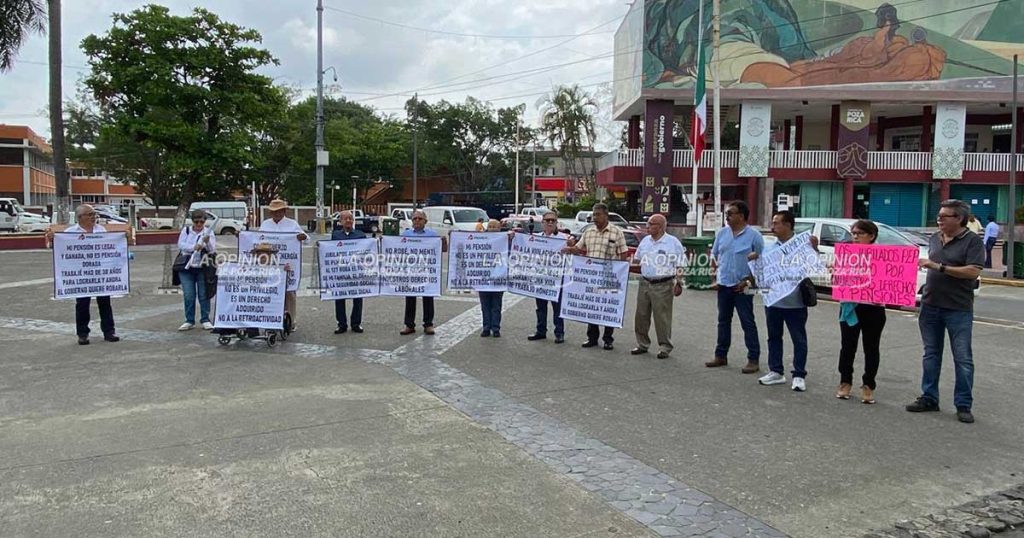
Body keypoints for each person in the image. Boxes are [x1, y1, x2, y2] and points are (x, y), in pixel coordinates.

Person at [907, 199, 985, 424]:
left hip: (958, 308)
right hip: (930, 305)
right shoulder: (934, 238)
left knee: (962, 358)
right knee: (931, 354)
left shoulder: (972, 242)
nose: (939, 220)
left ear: (959, 218)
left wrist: (939, 267)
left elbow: (973, 271)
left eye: (944, 216)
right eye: (939, 216)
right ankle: (929, 397)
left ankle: (963, 404)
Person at [752, 210, 817, 392]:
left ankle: (799, 375)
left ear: (788, 225)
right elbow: (762, 271)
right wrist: (755, 260)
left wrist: (815, 249)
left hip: (796, 302)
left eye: (776, 223)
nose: (773, 227)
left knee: (799, 339)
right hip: (773, 301)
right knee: (774, 337)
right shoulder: (768, 247)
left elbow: (814, 265)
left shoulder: (803, 245)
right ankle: (776, 371)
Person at [46, 204, 121, 345]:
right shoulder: (70, 232)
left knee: (105, 302)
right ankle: (83, 334)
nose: (94, 217)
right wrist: (52, 240)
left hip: (99, 272)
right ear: (80, 217)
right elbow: (60, 248)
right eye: (90, 214)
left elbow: (111, 247)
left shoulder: (101, 230)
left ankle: (109, 331)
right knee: (82, 303)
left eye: (94, 214)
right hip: (81, 274)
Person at [707, 201, 763, 373]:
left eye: (731, 213)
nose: (727, 216)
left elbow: (762, 262)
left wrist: (748, 281)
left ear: (741, 215)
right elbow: (714, 255)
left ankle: (753, 359)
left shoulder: (754, 236)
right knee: (723, 321)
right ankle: (721, 355)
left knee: (747, 322)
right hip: (724, 285)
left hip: (743, 286)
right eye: (727, 213)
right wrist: (713, 272)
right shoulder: (722, 233)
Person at [564, 203, 630, 350]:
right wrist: (569, 249)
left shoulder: (616, 232)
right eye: (593, 215)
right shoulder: (589, 232)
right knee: (593, 306)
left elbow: (623, 254)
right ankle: (592, 337)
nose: (594, 217)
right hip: (591, 275)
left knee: (606, 307)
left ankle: (608, 339)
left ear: (606, 215)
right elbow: (578, 249)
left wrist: (619, 273)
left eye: (598, 214)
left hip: (609, 275)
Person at [836, 220, 886, 404]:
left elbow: (890, 281)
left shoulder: (884, 255)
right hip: (850, 307)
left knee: (871, 348)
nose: (855, 236)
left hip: (874, 308)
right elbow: (838, 279)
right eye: (853, 233)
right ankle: (845, 382)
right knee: (848, 346)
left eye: (860, 233)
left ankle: (868, 385)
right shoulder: (846, 253)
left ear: (871, 236)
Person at [630, 214, 685, 359]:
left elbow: (680, 264)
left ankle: (665, 346)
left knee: (662, 317)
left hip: (663, 284)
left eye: (651, 224)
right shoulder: (645, 242)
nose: (647, 226)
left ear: (660, 227)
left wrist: (679, 282)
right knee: (641, 315)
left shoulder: (672, 243)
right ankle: (642, 344)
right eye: (647, 223)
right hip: (645, 282)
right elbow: (637, 260)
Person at [259, 199, 308, 325]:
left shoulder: (292, 224)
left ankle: (290, 321)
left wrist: (302, 237)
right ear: (271, 212)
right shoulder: (265, 224)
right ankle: (272, 318)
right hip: (270, 263)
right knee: (271, 291)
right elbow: (256, 240)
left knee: (289, 292)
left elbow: (306, 239)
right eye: (275, 211)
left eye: (280, 211)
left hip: (288, 262)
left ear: (285, 211)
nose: (278, 213)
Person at [400, 210, 444, 335]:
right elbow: (396, 249)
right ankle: (409, 325)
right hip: (410, 271)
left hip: (426, 271)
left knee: (428, 297)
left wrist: (444, 241)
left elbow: (441, 250)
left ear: (425, 221)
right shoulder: (405, 234)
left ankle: (428, 324)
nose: (417, 221)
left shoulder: (433, 234)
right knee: (410, 298)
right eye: (415, 219)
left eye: (420, 218)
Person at [528, 211, 568, 344]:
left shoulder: (564, 238)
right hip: (540, 278)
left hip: (557, 279)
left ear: (557, 223)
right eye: (548, 220)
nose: (550, 222)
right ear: (542, 222)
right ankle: (541, 331)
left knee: (557, 308)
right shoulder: (535, 237)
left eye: (553, 220)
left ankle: (559, 333)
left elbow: (574, 251)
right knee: (540, 307)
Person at [176, 210, 217, 331]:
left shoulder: (208, 232)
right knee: (189, 295)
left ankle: (205, 319)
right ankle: (189, 320)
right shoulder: (186, 230)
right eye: (196, 221)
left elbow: (212, 250)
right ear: (192, 221)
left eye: (202, 221)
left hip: (202, 267)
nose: (199, 224)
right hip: (186, 267)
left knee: (203, 294)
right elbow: (181, 244)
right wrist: (193, 247)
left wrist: (207, 241)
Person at [331, 210, 366, 334]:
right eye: (345, 218)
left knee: (357, 298)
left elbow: (366, 252)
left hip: (356, 271)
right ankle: (342, 324)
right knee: (339, 298)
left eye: (350, 218)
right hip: (341, 272)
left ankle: (356, 323)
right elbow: (330, 252)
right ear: (340, 221)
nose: (348, 221)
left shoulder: (360, 235)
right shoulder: (335, 235)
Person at [478, 219, 505, 337]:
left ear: (499, 229)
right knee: (485, 305)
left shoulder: (504, 240)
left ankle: (495, 328)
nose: (492, 228)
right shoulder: (479, 240)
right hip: (483, 278)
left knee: (496, 305)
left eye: (495, 226)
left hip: (498, 278)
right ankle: (486, 327)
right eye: (490, 226)